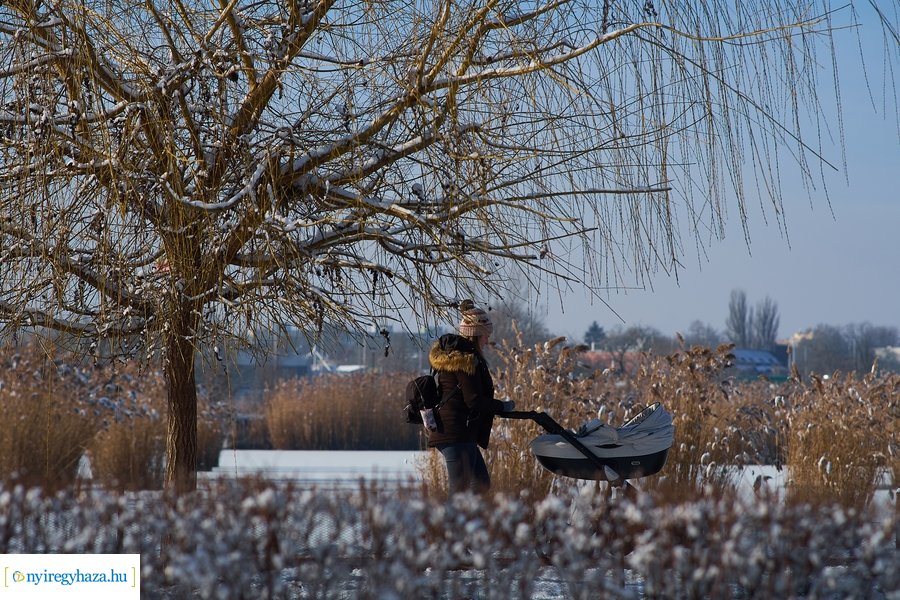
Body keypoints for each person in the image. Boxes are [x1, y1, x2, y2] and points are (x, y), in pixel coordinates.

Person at [427, 299, 515, 495]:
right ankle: (453, 525)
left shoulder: (464, 357)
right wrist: (502, 407)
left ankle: (474, 524)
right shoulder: (465, 361)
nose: (487, 340)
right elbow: (473, 400)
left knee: (480, 484)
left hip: (460, 433)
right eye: (485, 335)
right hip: (455, 432)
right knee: (459, 492)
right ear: (476, 335)